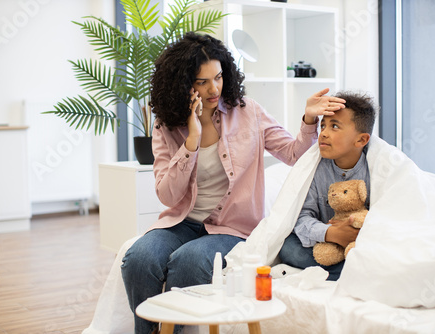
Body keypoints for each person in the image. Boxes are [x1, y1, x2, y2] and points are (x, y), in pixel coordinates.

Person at [120, 32, 345, 334]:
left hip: (232, 227)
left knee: (189, 261)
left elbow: (293, 154)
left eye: (219, 77)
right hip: (182, 221)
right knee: (139, 257)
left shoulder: (248, 111)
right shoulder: (166, 125)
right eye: (202, 82)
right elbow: (167, 194)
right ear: (183, 86)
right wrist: (192, 139)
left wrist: (307, 120)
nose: (214, 88)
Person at [278, 91, 377, 281]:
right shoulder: (316, 168)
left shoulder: (374, 169)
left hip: (360, 242)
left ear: (361, 140)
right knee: (288, 248)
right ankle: (351, 274)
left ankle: (345, 272)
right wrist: (330, 233)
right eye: (323, 125)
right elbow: (302, 216)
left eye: (334, 126)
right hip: (324, 242)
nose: (323, 133)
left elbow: (386, 216)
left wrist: (356, 233)